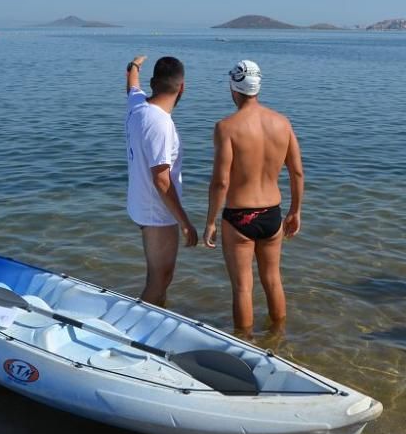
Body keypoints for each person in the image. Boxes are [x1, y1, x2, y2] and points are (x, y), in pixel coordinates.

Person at [203, 60, 304, 335]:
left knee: (243, 287)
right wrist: (296, 211)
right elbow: (296, 172)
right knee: (273, 280)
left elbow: (221, 182)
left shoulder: (227, 128)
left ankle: (245, 345)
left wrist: (211, 221)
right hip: (272, 214)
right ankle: (279, 340)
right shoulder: (282, 123)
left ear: (233, 87)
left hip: (239, 218)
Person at [124, 55, 198, 307]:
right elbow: (162, 180)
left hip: (141, 205)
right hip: (157, 213)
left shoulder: (137, 106)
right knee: (160, 279)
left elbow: (132, 86)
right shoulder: (161, 124)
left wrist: (133, 67)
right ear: (182, 87)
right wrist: (185, 222)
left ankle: (156, 320)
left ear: (153, 83)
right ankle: (132, 331)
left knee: (157, 277)